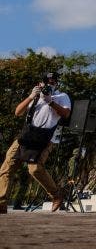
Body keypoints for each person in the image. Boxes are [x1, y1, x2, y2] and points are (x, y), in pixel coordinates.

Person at [0, 72, 71, 214]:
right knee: (7, 167)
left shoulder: (62, 97)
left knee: (34, 169)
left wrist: (50, 101)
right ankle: (1, 203)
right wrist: (31, 96)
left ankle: (56, 195)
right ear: (40, 83)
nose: (49, 83)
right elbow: (18, 112)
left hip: (44, 139)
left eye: (53, 82)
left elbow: (65, 114)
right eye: (47, 81)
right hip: (25, 137)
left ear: (56, 84)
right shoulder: (35, 97)